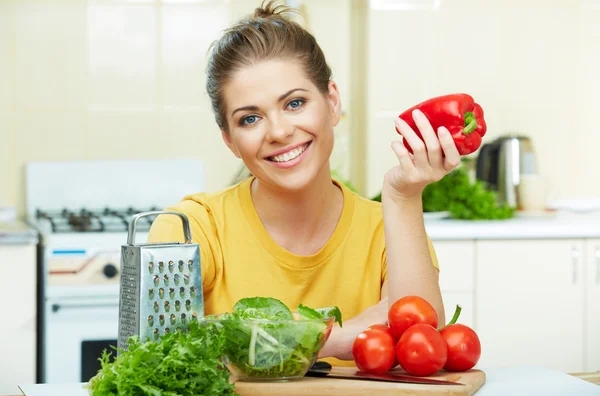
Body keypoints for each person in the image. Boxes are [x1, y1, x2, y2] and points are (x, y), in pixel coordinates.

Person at [148, 0, 461, 366]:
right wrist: (340, 335)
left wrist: (404, 196)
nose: (279, 131)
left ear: (331, 102)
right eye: (250, 119)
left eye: (295, 103)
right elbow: (166, 354)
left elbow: (418, 338)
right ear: (229, 140)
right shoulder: (192, 228)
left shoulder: (386, 226)